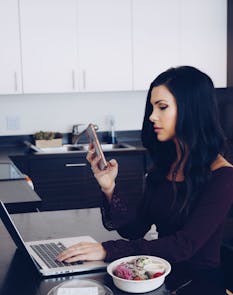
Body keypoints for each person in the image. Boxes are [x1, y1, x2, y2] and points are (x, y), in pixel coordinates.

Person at [56, 66, 233, 282]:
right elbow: (135, 229)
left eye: (162, 107)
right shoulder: (166, 165)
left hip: (198, 288)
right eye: (152, 107)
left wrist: (107, 250)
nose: (152, 116)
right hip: (157, 276)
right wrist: (109, 187)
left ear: (191, 110)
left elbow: (183, 246)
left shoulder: (223, 177)